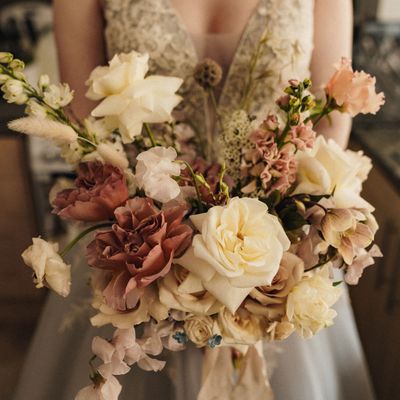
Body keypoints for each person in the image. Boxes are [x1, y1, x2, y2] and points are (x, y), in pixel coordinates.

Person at [14, 1, 375, 399]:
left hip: (277, 260)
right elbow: (88, 136)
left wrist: (253, 256)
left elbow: (330, 127)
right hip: (137, 251)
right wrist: (168, 253)